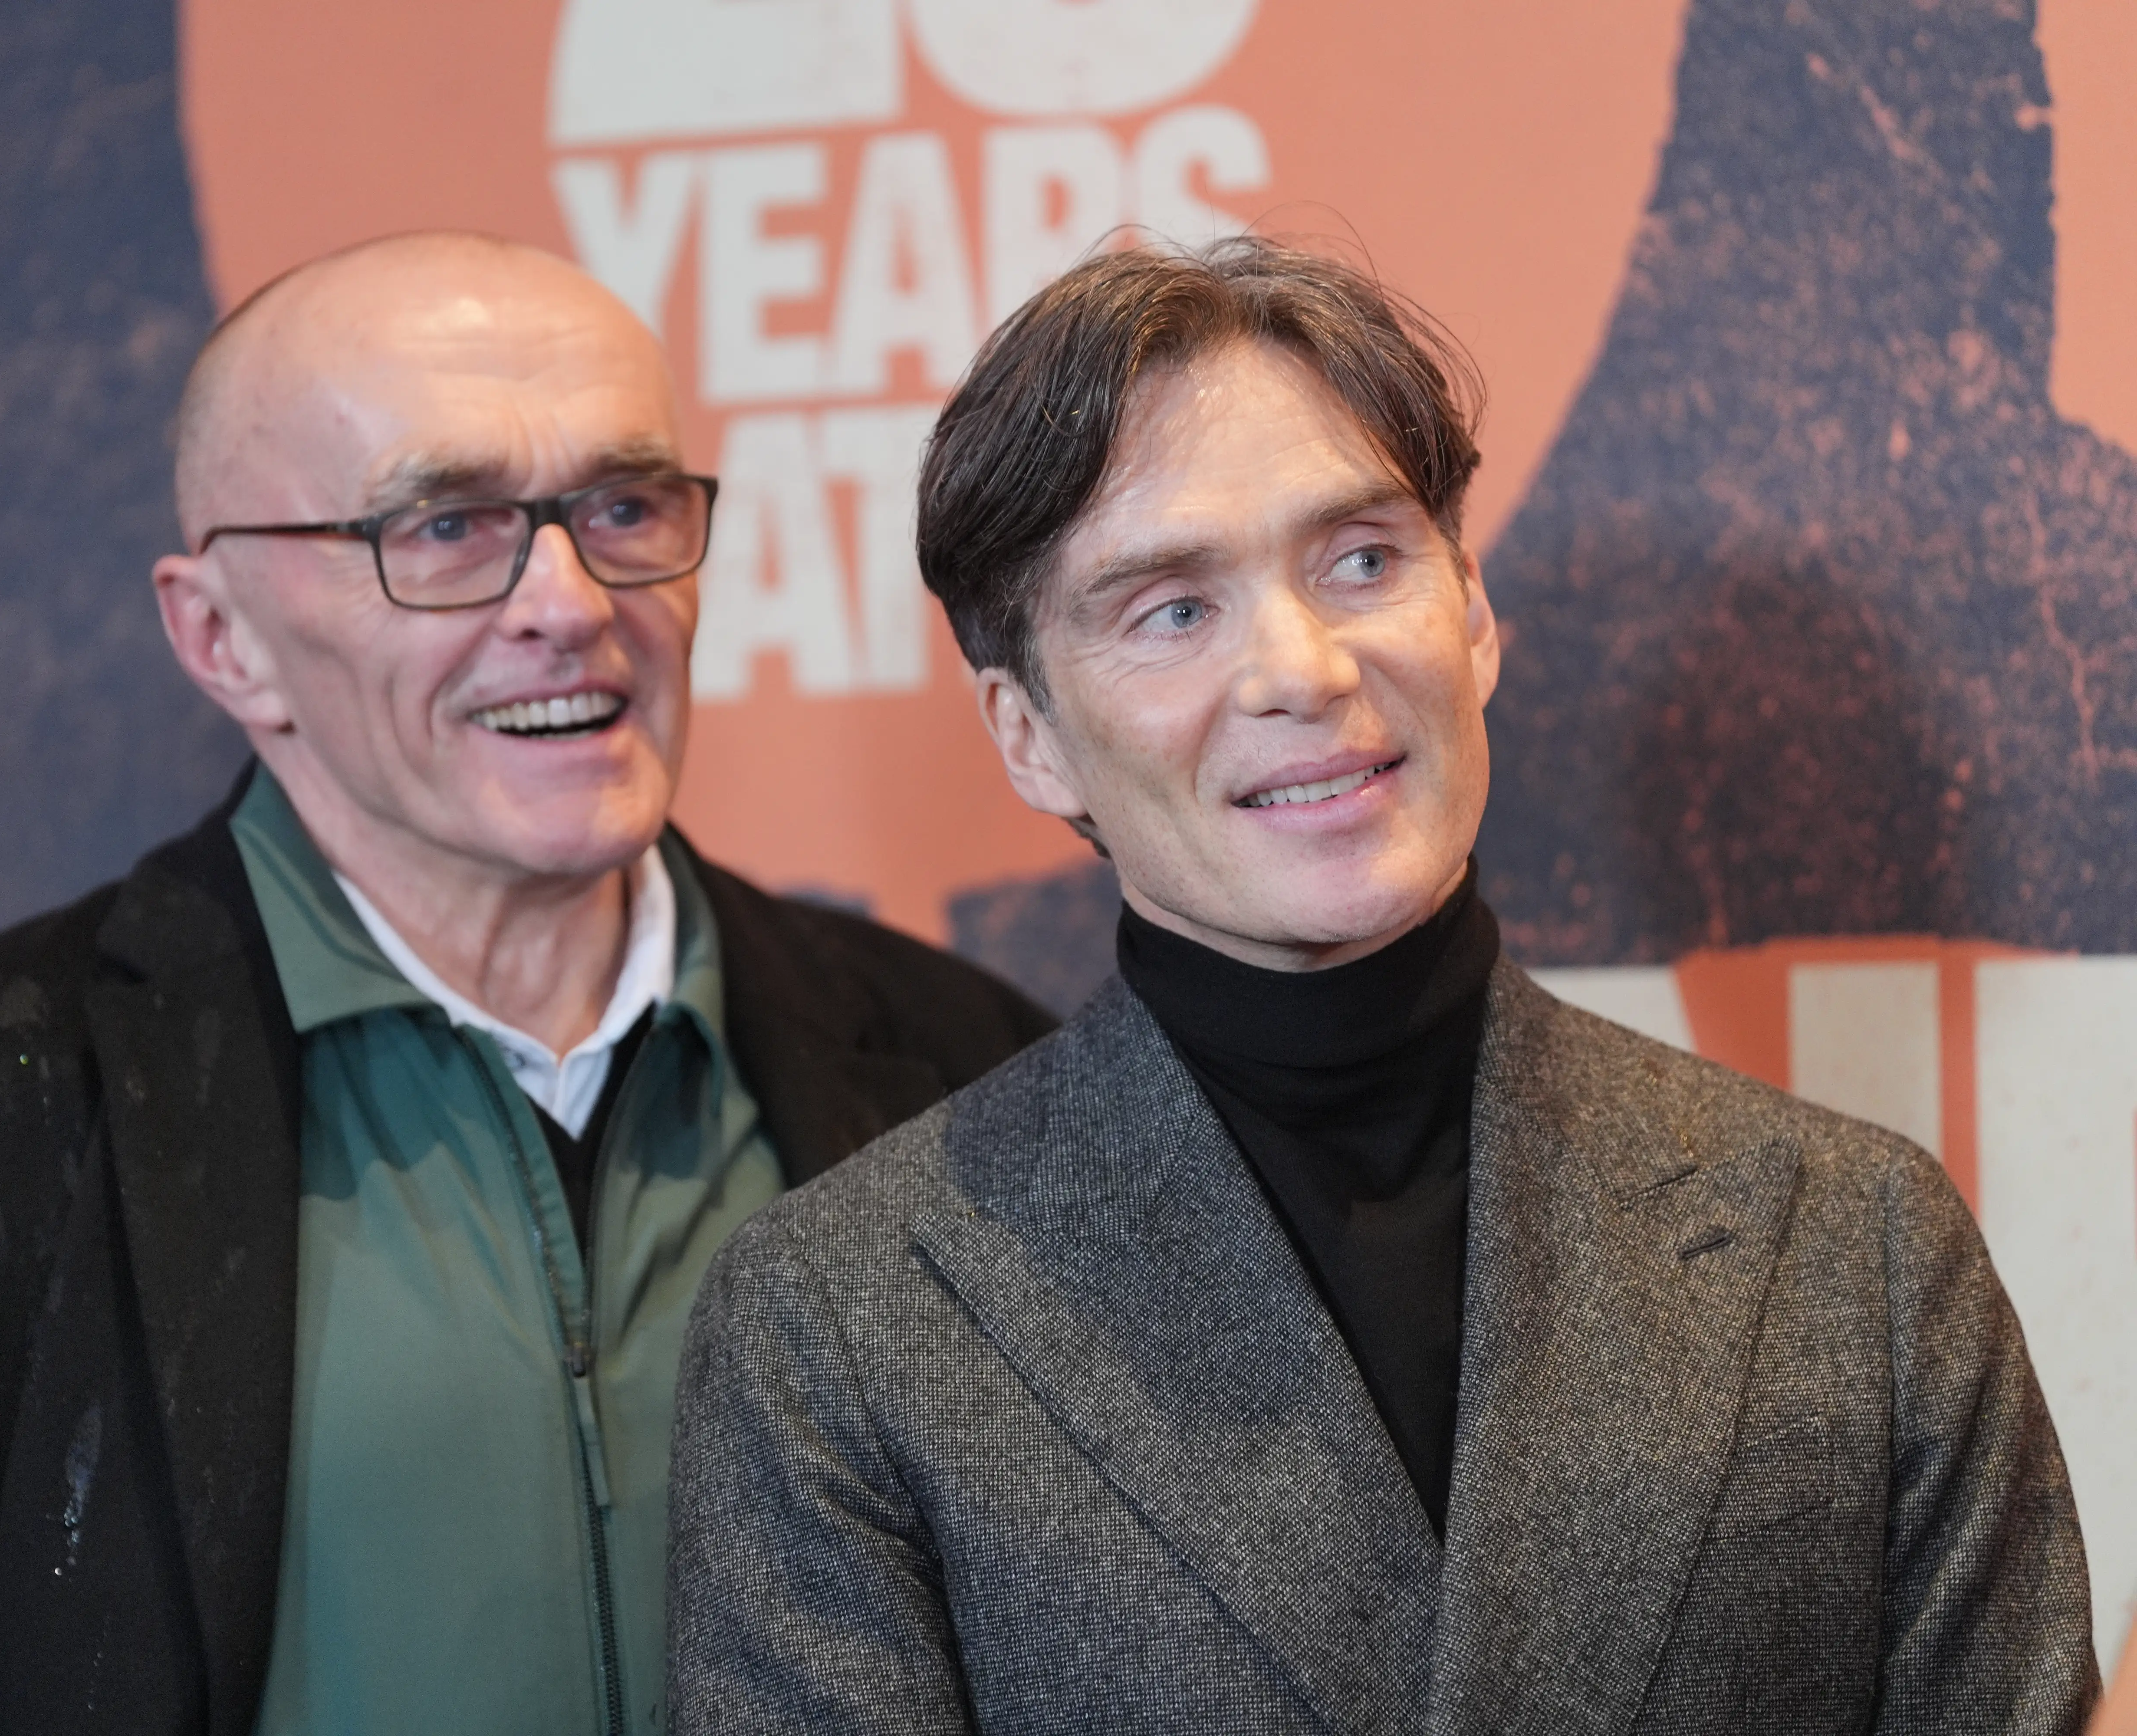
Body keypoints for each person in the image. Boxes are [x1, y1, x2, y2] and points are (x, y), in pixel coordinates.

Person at [0, 233, 1052, 1736]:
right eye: (445, 527)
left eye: (623, 505)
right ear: (221, 637)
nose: (570, 600)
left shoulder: (969, 1069)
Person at [665, 237, 2101, 1734]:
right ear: (1026, 735)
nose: (1304, 667)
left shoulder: (1849, 1247)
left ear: (1472, 614)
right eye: (1171, 610)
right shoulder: (840, 1327)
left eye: (1362, 561)